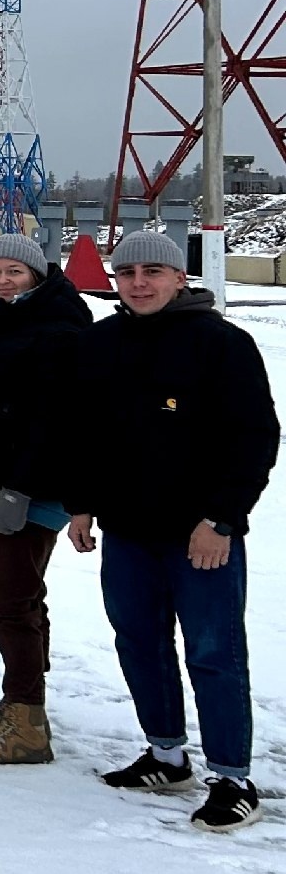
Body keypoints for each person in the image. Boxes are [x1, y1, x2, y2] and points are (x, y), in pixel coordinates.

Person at [70, 230, 277, 830]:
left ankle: (233, 776)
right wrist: (82, 505)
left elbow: (254, 439)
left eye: (153, 272)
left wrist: (222, 519)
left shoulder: (222, 346)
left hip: (200, 535)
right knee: (139, 641)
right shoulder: (101, 343)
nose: (140, 283)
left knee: (213, 653)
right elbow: (84, 433)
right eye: (128, 272)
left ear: (179, 277)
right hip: (129, 532)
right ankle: (165, 753)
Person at [0, 232, 94, 765]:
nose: (3, 280)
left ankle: (29, 722)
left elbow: (54, 421)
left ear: (36, 274)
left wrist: (21, 487)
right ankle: (19, 700)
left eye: (14, 271)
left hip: (29, 490)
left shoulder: (57, 328)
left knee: (9, 601)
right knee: (21, 597)